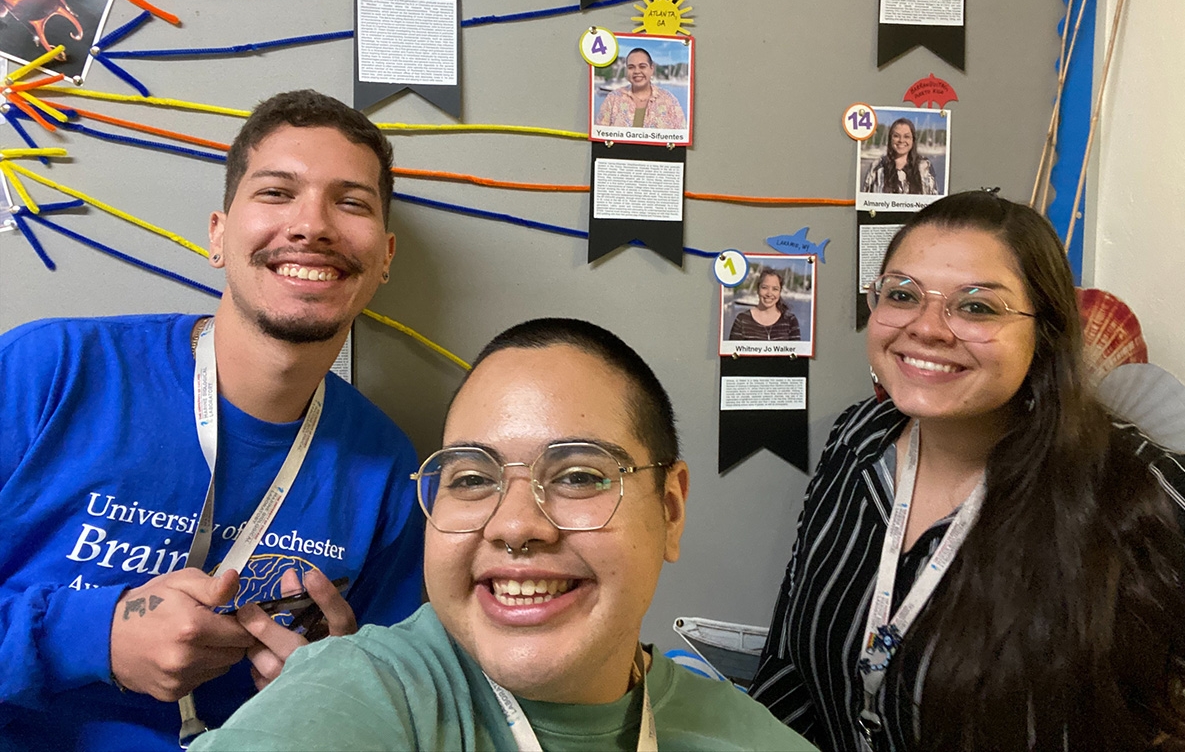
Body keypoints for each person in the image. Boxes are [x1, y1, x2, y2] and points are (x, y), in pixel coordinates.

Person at [0, 90, 425, 751]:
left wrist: (339, 689)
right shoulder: (48, 370)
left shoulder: (393, 476)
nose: (312, 225)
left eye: (351, 202)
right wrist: (91, 636)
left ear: (386, 257)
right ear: (219, 236)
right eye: (278, 193)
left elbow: (402, 701)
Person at [192, 319, 818, 751]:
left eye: (576, 475)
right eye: (470, 478)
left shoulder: (751, 738)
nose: (515, 525)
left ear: (671, 510)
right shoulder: (363, 694)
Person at [750, 191, 1185, 752]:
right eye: (902, 294)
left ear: (1046, 333)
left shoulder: (1141, 487)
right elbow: (789, 658)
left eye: (977, 306)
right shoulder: (857, 438)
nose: (928, 328)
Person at [596, 47, 687, 130]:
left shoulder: (669, 100)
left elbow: (681, 136)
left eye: (642, 66)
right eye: (631, 67)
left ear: (651, 69)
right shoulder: (613, 98)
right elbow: (599, 135)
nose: (637, 71)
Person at [861, 117, 939, 196]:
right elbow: (865, 197)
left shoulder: (924, 166)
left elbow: (934, 200)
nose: (901, 140)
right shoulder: (877, 166)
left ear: (913, 140)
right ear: (890, 139)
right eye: (896, 136)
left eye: (906, 136)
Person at [728, 267, 803, 342]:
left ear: (780, 292)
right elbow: (732, 352)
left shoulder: (790, 321)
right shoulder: (742, 320)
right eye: (764, 287)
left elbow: (795, 352)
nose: (769, 294)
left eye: (775, 289)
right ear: (758, 290)